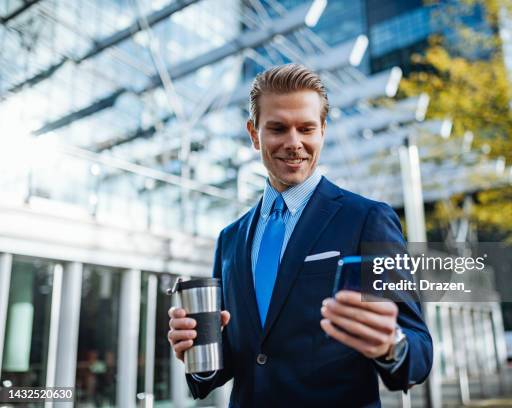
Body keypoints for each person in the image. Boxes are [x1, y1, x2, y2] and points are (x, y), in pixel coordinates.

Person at [168, 63, 432, 407]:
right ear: (253, 133)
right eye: (277, 128)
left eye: (306, 128)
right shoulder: (229, 239)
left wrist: (390, 344)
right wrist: (197, 347)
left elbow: (419, 349)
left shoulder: (367, 219)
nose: (294, 143)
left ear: (322, 130)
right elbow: (244, 359)